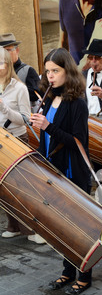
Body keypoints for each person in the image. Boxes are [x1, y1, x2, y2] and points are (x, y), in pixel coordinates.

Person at [30, 48, 92, 295]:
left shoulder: (77, 103)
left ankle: (85, 275)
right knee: (60, 225)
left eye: (56, 71)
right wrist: (38, 129)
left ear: (68, 71)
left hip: (71, 171)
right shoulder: (48, 97)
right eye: (48, 71)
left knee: (78, 225)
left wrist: (48, 126)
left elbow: (78, 141)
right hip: (52, 169)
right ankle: (67, 271)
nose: (51, 76)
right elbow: (46, 137)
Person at [0, 47, 44, 243]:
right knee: (4, 188)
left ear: (8, 65)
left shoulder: (19, 88)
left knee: (23, 188)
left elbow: (26, 119)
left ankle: (35, 229)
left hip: (17, 141)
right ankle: (14, 225)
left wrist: (5, 109)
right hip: (1, 143)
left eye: (1, 63)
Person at [0, 33, 41, 112]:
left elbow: (37, 96)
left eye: (8, 50)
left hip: (25, 121)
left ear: (17, 50)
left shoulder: (28, 71)